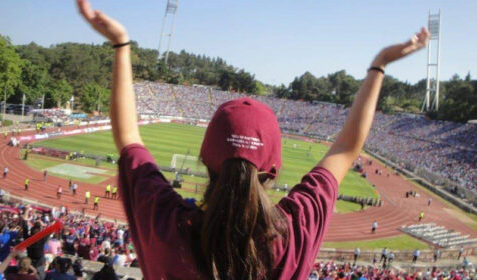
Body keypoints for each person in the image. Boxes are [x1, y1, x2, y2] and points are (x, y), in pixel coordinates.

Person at [76, 0, 429, 278]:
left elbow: (129, 139)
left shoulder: (166, 221)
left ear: (204, 158)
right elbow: (347, 148)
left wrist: (122, 45)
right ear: (272, 170)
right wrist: (379, 64)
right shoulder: (292, 233)